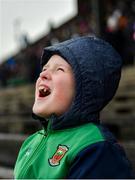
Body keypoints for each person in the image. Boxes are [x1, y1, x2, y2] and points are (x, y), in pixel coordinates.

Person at [14, 36, 134, 179]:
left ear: (84, 89)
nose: (43, 74)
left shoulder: (95, 147)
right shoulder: (30, 142)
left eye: (59, 69)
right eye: (45, 68)